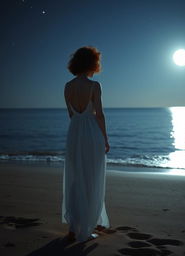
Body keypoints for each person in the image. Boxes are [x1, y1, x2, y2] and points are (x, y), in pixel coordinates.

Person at [61, 46, 110, 242]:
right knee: (91, 177)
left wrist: (78, 128)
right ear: (92, 63)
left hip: (74, 133)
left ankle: (74, 227)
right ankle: (86, 227)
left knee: (75, 177)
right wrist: (105, 138)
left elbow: (71, 115)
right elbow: (99, 115)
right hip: (92, 134)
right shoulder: (94, 86)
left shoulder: (67, 87)